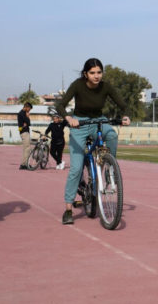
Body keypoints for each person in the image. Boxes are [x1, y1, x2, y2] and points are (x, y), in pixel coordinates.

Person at [56, 58, 130, 225]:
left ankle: (109, 167)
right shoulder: (78, 85)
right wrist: (68, 118)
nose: (96, 76)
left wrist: (125, 116)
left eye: (99, 72)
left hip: (99, 121)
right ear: (85, 74)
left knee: (112, 135)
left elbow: (122, 104)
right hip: (79, 124)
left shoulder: (105, 86)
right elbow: (60, 105)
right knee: (75, 168)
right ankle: (68, 208)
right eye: (92, 73)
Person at [18, 102, 33, 170]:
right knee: (27, 148)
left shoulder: (23, 113)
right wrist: (27, 117)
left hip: (25, 132)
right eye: (29, 109)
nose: (29, 111)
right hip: (24, 132)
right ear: (26, 107)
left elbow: (27, 123)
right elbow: (28, 123)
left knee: (26, 149)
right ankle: (24, 164)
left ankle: (24, 164)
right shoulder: (21, 113)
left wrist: (26, 122)